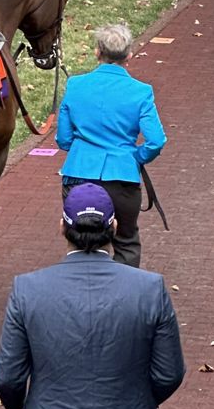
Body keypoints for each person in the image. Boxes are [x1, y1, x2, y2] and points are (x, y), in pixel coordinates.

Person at [0, 182, 186, 409]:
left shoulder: (27, 290)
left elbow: (8, 377)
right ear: (114, 226)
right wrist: (133, 400)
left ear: (62, 228)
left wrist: (20, 405)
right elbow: (169, 374)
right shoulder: (149, 289)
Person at [55, 23, 166, 267]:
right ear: (129, 55)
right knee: (126, 241)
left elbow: (63, 139)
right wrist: (136, 156)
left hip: (78, 175)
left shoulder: (75, 85)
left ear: (97, 52)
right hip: (122, 178)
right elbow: (156, 140)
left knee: (80, 240)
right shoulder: (141, 92)